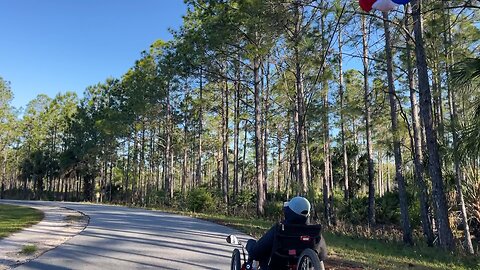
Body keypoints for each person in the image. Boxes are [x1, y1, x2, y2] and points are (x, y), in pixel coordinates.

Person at [246, 196, 327, 269]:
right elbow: (322, 255)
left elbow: (257, 251)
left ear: (289, 212)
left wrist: (250, 244)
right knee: (319, 258)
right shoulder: (314, 232)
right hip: (305, 265)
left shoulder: (280, 229)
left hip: (277, 266)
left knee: (256, 248)